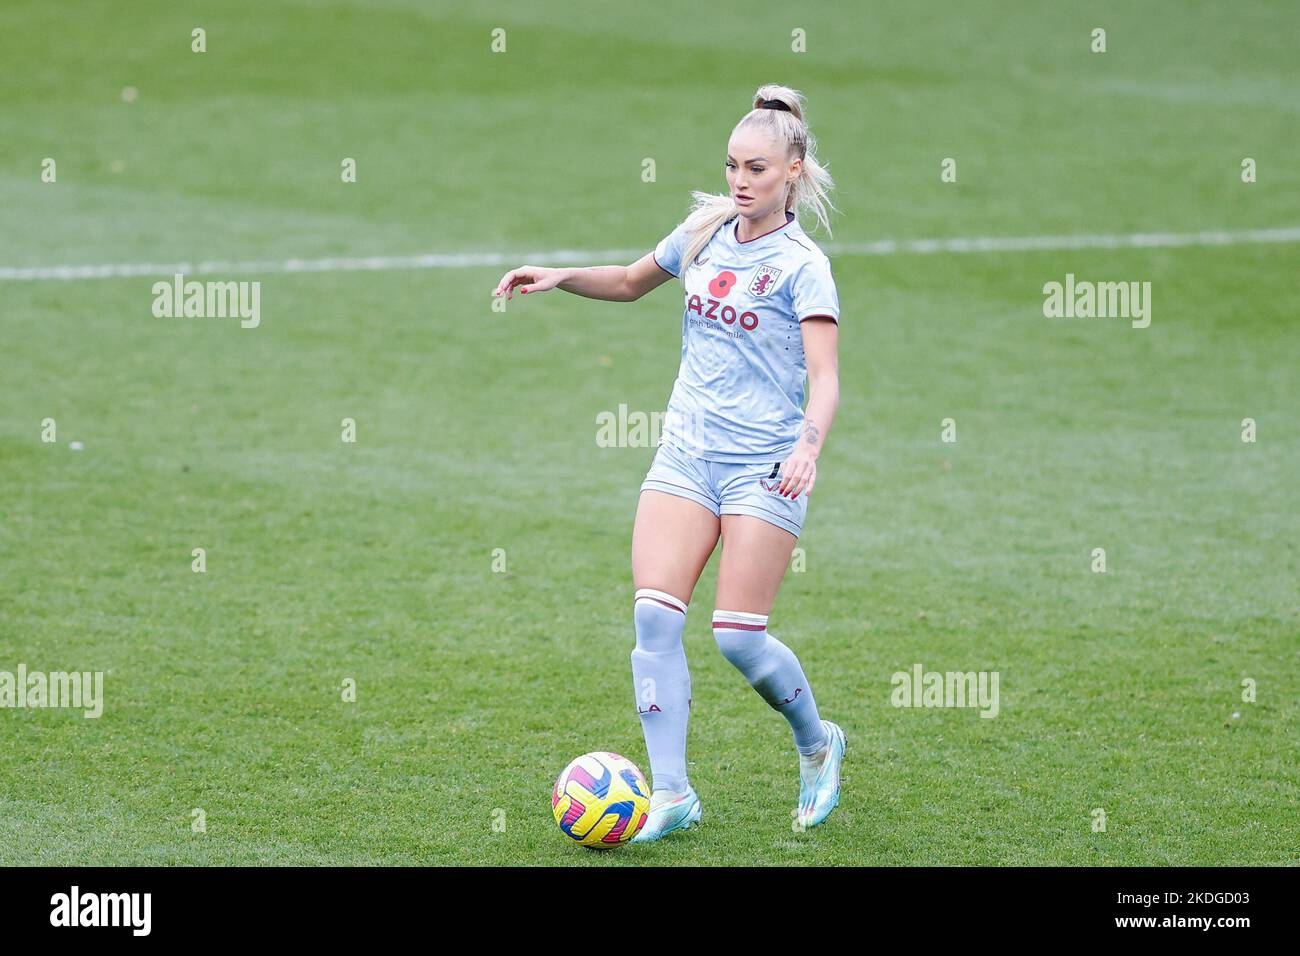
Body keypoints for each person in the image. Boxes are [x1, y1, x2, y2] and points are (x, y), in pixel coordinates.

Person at [494, 83, 845, 841]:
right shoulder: (703, 232)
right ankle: (673, 794)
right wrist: (559, 276)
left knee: (738, 636)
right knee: (653, 618)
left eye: (756, 168)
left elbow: (827, 378)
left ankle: (817, 743)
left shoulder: (803, 267)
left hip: (762, 466)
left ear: (792, 170)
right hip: (686, 456)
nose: (740, 181)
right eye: (731, 165)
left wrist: (805, 450)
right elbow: (627, 283)